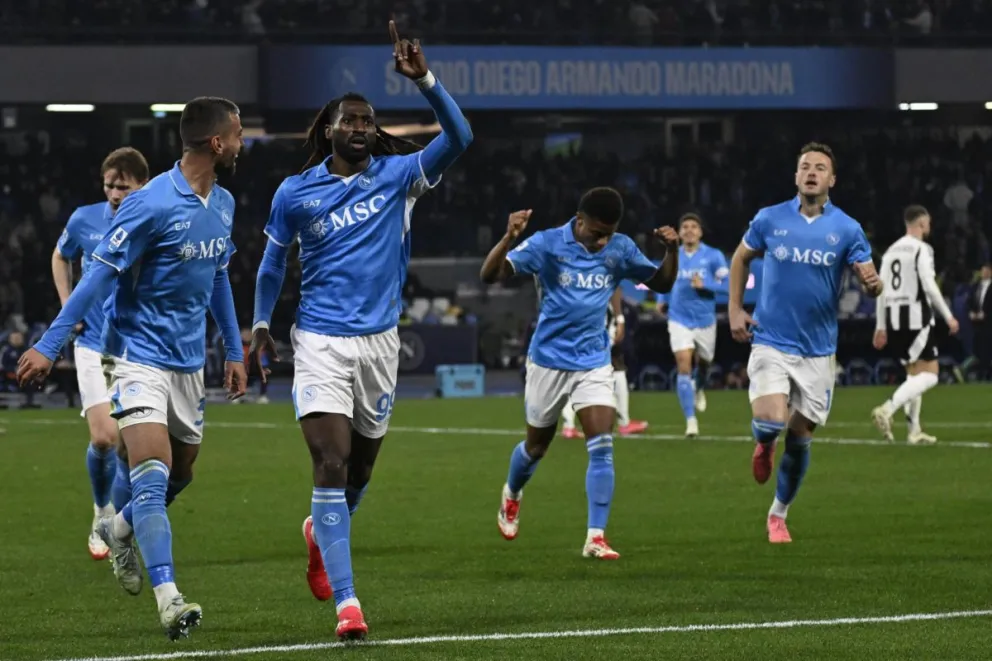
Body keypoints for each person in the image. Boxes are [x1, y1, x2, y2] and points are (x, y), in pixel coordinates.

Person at [249, 21, 472, 641]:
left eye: (368, 120)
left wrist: (424, 79)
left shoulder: (400, 177)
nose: (359, 127)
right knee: (330, 460)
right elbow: (272, 262)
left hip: (380, 344)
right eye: (349, 119)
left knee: (361, 471)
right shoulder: (295, 193)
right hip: (319, 340)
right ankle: (349, 605)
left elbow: (461, 136)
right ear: (328, 128)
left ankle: (321, 534)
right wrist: (263, 323)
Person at [18, 96, 248, 640]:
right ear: (216, 143)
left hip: (189, 364)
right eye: (237, 134)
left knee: (182, 472)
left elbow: (217, 278)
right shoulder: (149, 204)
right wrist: (50, 343)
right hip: (137, 357)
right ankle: (170, 599)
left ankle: (119, 530)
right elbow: (96, 276)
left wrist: (234, 350)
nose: (242, 143)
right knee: (150, 476)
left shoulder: (224, 204)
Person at [480, 190, 679, 560]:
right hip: (548, 361)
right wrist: (509, 237)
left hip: (593, 361)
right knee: (536, 447)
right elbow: (490, 274)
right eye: (596, 232)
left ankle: (595, 536)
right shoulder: (546, 244)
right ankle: (512, 492)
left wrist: (672, 251)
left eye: (609, 233)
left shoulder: (619, 249)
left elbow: (662, 284)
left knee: (602, 445)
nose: (602, 240)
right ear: (579, 219)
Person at [728, 142, 882, 544]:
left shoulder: (847, 228)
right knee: (770, 422)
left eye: (820, 167)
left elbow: (870, 279)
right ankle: (763, 444)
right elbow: (739, 258)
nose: (811, 172)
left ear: (832, 179)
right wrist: (734, 310)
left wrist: (875, 285)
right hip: (771, 340)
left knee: (800, 437)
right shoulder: (769, 219)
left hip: (817, 350)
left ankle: (778, 515)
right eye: (805, 166)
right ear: (796, 176)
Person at [52, 146, 149, 560]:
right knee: (104, 438)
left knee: (136, 448)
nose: (114, 194)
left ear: (142, 185)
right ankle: (101, 510)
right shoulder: (83, 219)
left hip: (140, 345)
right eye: (110, 185)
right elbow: (60, 256)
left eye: (123, 187)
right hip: (93, 341)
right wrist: (67, 303)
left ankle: (123, 525)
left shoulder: (154, 221)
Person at [871, 205, 959, 444]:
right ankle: (887, 409)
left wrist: (880, 326)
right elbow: (929, 286)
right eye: (928, 223)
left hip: (893, 319)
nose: (929, 227)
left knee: (914, 374)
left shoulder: (889, 252)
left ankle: (914, 431)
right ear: (921, 224)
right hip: (916, 317)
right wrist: (948, 315)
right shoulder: (922, 249)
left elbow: (880, 290)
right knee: (931, 376)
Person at [665, 212, 728, 438]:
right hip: (679, 318)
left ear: (700, 232)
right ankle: (691, 421)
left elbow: (729, 285)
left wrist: (707, 284)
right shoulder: (673, 255)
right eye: (685, 227)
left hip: (705, 321)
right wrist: (662, 302)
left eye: (694, 226)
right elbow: (666, 280)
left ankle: (699, 387)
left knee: (704, 364)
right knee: (683, 364)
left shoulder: (713, 256)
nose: (689, 230)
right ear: (680, 233)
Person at [562, 287, 648, 438]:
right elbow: (615, 285)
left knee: (584, 371)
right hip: (597, 326)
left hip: (580, 324)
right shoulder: (604, 269)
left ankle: (569, 424)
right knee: (612, 369)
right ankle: (624, 422)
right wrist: (619, 320)